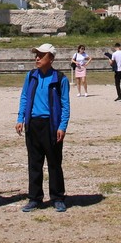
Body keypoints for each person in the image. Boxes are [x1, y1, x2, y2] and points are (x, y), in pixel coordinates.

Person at [16, 42, 71, 212]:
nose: (37, 58)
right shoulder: (31, 75)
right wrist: (20, 118)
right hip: (33, 124)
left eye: (41, 55)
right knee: (34, 163)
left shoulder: (60, 79)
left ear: (51, 58)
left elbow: (65, 104)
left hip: (51, 125)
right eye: (36, 55)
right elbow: (24, 97)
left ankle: (57, 197)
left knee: (54, 163)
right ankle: (34, 198)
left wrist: (62, 126)